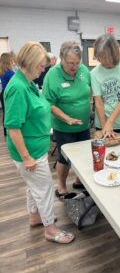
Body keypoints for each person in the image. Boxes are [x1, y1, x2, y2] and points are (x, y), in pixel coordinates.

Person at [4, 42, 74, 244]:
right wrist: (26, 157)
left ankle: (35, 217)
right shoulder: (18, 88)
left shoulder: (29, 83)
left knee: (33, 186)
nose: (43, 70)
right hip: (30, 151)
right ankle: (50, 229)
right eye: (41, 66)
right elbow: (13, 127)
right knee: (43, 188)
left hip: (37, 147)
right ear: (30, 62)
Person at [43, 41, 91, 197]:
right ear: (62, 59)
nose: (74, 67)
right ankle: (62, 187)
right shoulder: (52, 75)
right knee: (64, 158)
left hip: (83, 125)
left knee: (84, 154)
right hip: (64, 126)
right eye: (70, 63)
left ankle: (79, 181)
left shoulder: (83, 70)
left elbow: (89, 89)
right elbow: (49, 103)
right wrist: (67, 118)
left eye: (77, 63)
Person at [91, 34, 120, 138]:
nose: (104, 61)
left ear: (114, 53)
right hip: (102, 121)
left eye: (107, 57)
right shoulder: (94, 73)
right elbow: (98, 102)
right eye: (100, 57)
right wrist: (104, 126)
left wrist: (110, 122)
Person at [0, 53, 14, 136]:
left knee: (5, 112)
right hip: (8, 93)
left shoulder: (1, 71)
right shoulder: (9, 72)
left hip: (3, 93)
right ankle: (10, 131)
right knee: (10, 112)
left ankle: (5, 131)